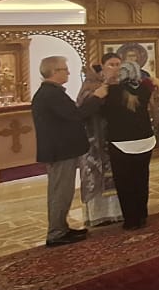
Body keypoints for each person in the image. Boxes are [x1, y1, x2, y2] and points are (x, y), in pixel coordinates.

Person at [31, 55, 106, 247]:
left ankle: (61, 228)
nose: (68, 73)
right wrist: (97, 97)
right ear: (53, 71)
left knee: (63, 191)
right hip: (60, 150)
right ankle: (56, 233)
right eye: (65, 69)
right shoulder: (51, 94)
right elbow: (76, 115)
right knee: (60, 192)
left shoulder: (52, 92)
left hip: (62, 149)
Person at [101, 61, 159, 230]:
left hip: (121, 142)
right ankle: (142, 215)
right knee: (141, 179)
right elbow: (150, 84)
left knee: (125, 183)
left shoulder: (111, 91)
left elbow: (102, 113)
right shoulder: (145, 89)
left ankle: (131, 220)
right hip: (144, 140)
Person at [76, 54, 123, 226]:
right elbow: (82, 111)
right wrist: (99, 96)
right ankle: (98, 215)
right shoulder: (91, 85)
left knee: (117, 175)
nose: (116, 68)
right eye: (111, 64)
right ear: (102, 66)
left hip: (115, 137)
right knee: (96, 175)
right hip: (95, 139)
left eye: (118, 64)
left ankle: (117, 212)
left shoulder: (121, 85)